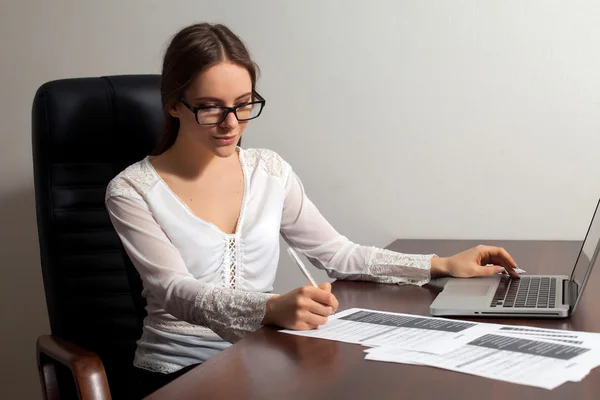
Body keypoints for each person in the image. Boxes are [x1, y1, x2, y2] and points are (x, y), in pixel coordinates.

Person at [105, 22, 520, 398]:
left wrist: (439, 264)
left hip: (262, 355)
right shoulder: (131, 191)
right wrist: (268, 308)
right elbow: (174, 290)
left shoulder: (269, 171)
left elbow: (337, 254)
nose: (231, 123)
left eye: (244, 104)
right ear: (174, 105)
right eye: (211, 107)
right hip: (178, 373)